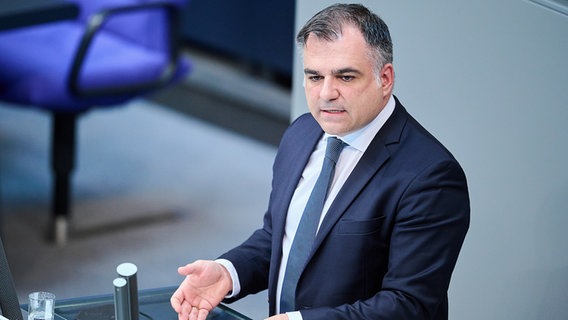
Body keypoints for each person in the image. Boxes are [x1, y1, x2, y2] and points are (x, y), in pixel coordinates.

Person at [171, 3, 470, 320]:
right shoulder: (301, 133)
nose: (326, 93)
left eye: (345, 76)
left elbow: (409, 305)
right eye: (315, 76)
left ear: (385, 78)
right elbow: (279, 237)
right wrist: (229, 272)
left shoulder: (431, 177)